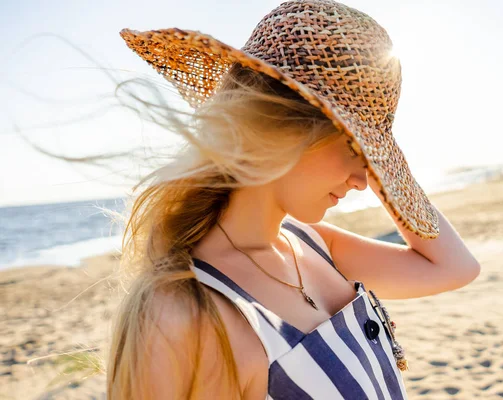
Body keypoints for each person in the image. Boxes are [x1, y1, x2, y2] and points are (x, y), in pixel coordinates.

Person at [107, 0, 481, 398]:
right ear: (281, 129)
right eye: (355, 148)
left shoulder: (314, 245)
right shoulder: (185, 313)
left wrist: (389, 172)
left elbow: (456, 268)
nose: (364, 180)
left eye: (372, 162)